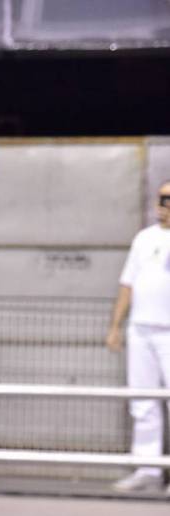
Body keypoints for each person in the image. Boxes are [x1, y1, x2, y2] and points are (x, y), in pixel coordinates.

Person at [107, 180, 170, 495]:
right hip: (142, 329)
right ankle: (148, 469)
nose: (165, 204)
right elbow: (127, 283)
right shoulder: (144, 239)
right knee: (142, 401)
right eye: (162, 198)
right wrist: (116, 325)